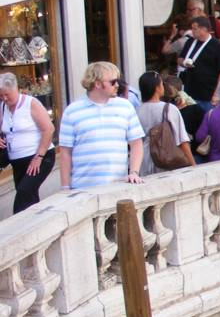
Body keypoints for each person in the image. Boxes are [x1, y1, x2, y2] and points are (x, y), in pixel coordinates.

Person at [59, 62, 145, 190]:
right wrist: (65, 187)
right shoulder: (72, 111)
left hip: (118, 185)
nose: (117, 85)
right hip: (83, 188)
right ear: (97, 84)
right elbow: (65, 152)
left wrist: (134, 172)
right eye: (113, 82)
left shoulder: (125, 107)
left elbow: (136, 143)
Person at [0, 72, 55, 212]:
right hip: (17, 159)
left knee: (24, 192)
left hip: (40, 156)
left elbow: (48, 129)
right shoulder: (2, 107)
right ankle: (37, 225)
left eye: (7, 95)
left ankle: (17, 225)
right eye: (1, 95)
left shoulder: (31, 103)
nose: (4, 98)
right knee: (29, 195)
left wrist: (39, 156)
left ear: (16, 89)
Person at [135, 70, 195, 176]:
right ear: (157, 88)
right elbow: (182, 140)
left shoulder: (137, 111)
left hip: (143, 161)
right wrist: (193, 165)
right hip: (166, 158)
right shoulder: (169, 109)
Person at [179, 16, 220, 111]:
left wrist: (217, 94)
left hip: (208, 94)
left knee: (208, 121)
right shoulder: (190, 41)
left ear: (204, 29)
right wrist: (184, 63)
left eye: (195, 28)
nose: (192, 31)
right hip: (190, 92)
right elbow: (180, 59)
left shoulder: (218, 46)